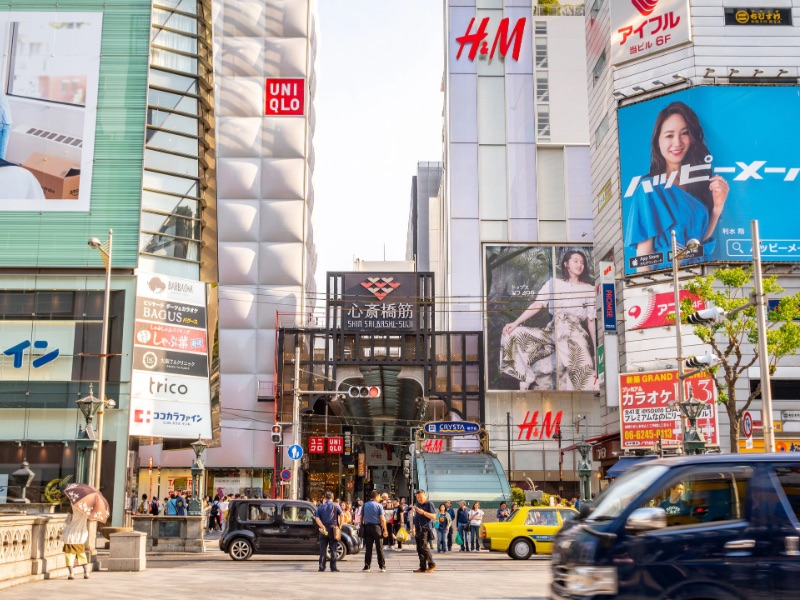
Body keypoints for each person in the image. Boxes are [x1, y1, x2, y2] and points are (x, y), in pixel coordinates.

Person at [625, 101, 729, 273]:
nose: (677, 142)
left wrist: (717, 207)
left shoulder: (701, 184)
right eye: (669, 135)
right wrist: (647, 291)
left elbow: (700, 242)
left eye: (684, 133)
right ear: (658, 141)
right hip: (667, 277)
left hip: (702, 274)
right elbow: (643, 257)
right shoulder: (649, 189)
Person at [501, 249, 597, 391]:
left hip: (573, 333)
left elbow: (590, 321)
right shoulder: (554, 284)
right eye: (575, 261)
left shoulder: (589, 289)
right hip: (552, 331)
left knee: (586, 377)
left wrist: (595, 351)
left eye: (582, 262)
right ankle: (526, 377)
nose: (579, 265)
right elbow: (537, 304)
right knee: (513, 334)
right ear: (566, 264)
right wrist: (515, 323)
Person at [314, 490, 343, 572]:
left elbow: (317, 518)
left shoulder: (320, 507)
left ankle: (321, 567)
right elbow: (342, 514)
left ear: (324, 498)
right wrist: (340, 525)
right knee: (333, 549)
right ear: (332, 497)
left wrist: (322, 526)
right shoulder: (336, 505)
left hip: (323, 530)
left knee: (322, 549)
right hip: (333, 529)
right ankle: (333, 567)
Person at [361, 490, 388, 572]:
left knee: (368, 548)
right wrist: (385, 530)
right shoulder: (379, 506)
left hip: (367, 527)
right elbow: (382, 519)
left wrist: (362, 526)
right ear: (377, 496)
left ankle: (367, 566)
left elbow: (361, 517)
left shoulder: (365, 505)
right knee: (379, 547)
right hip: (377, 528)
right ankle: (382, 566)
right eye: (379, 496)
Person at [410, 489, 437, 573]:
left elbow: (433, 516)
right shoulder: (418, 504)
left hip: (425, 529)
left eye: (421, 497)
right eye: (417, 497)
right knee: (419, 548)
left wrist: (424, 513)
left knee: (423, 547)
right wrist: (414, 526)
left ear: (425, 495)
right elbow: (416, 517)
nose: (419, 499)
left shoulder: (429, 504)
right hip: (418, 528)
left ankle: (432, 564)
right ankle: (422, 567)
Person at [62, 508, 90, 580]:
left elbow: (68, 521)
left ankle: (71, 573)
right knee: (82, 555)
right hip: (81, 535)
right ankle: (86, 572)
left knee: (69, 556)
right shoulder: (86, 510)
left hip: (71, 535)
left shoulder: (71, 509)